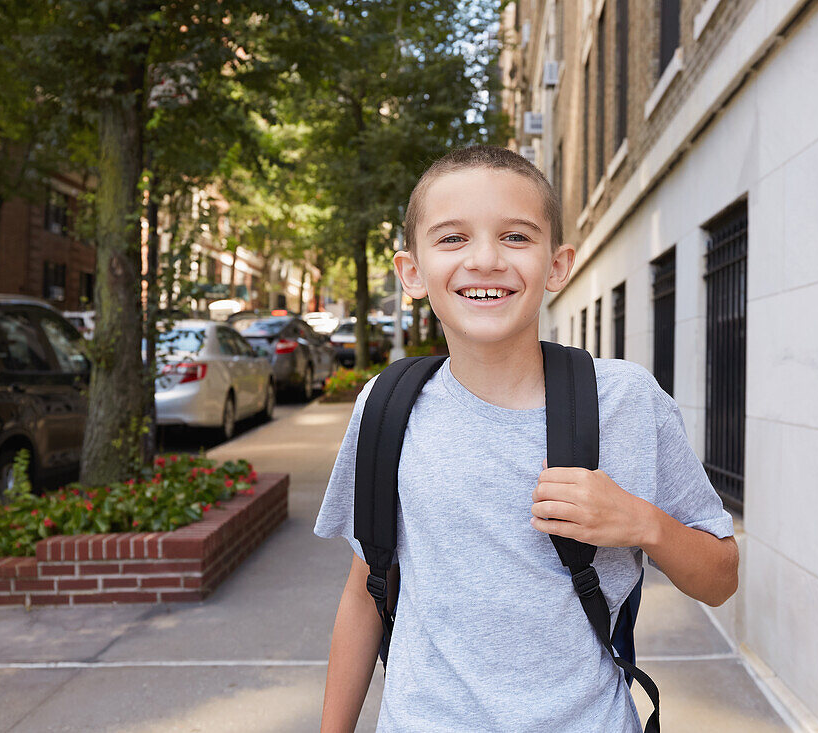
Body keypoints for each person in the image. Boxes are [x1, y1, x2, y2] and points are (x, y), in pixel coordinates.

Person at [314, 145, 739, 732]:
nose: (485, 259)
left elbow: (720, 577)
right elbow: (367, 589)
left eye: (515, 237)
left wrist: (644, 523)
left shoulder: (626, 402)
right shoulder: (385, 408)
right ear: (412, 272)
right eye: (452, 239)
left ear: (557, 266)